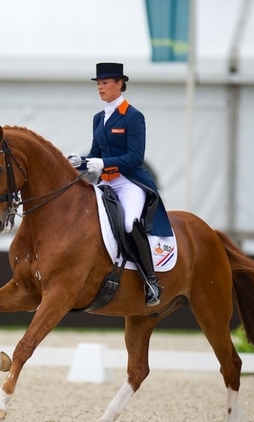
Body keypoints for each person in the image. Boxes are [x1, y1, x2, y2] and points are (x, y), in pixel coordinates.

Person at [68, 62, 173, 307]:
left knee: (128, 223)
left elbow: (135, 157)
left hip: (129, 182)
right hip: (105, 183)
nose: (100, 88)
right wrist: (78, 162)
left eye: (105, 83)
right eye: (98, 84)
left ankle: (151, 281)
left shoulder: (133, 117)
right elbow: (95, 154)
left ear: (119, 84)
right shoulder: (98, 118)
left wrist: (103, 163)